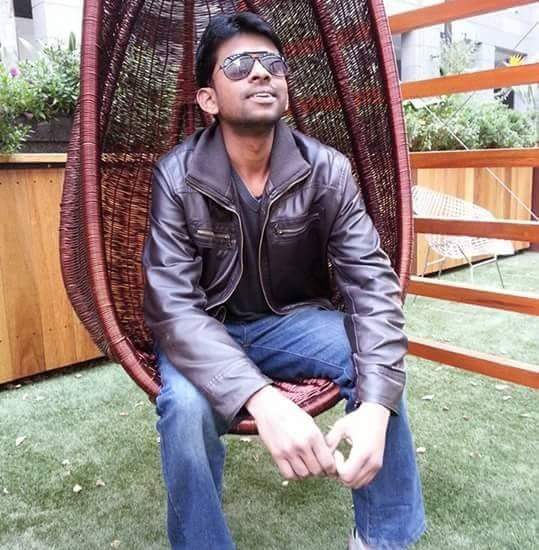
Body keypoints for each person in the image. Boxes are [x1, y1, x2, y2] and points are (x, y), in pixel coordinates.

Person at [142, 11, 425, 550]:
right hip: (204, 330)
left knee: (375, 363)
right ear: (207, 99)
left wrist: (376, 408)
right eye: (239, 65)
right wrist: (264, 400)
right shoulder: (176, 175)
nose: (260, 73)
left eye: (271, 63)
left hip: (290, 323)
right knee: (184, 409)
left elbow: (371, 284)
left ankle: (380, 540)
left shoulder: (327, 170)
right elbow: (171, 307)